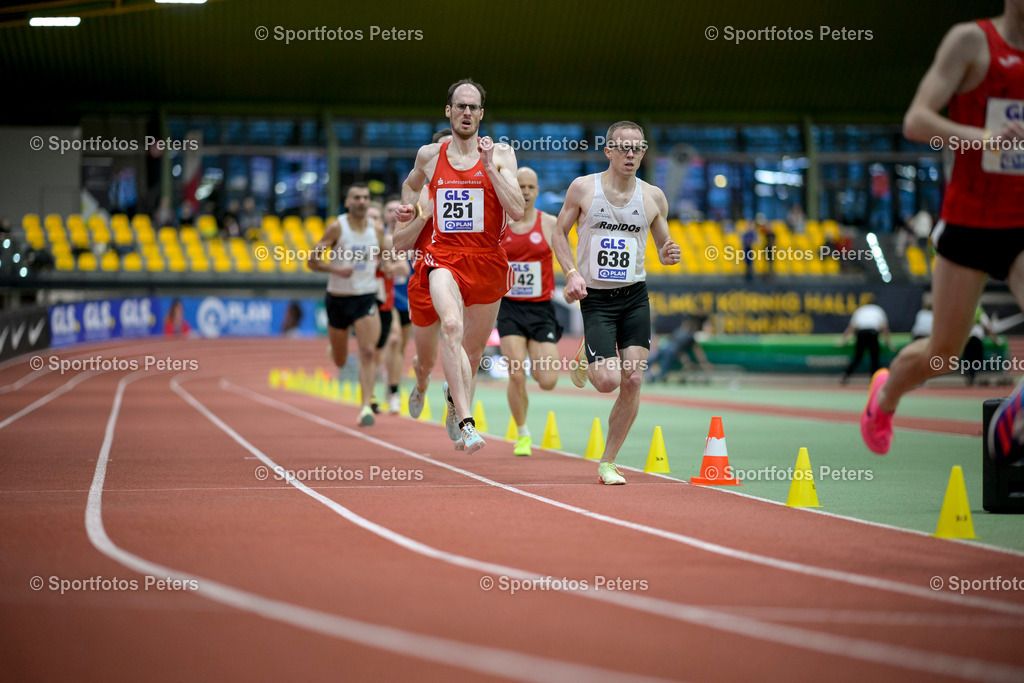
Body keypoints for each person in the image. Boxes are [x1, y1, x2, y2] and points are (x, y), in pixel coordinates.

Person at [861, 1, 1024, 467]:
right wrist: (985, 139)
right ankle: (886, 394)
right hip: (971, 219)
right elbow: (917, 122)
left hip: (1021, 219)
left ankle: (1014, 420)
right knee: (943, 355)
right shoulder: (970, 42)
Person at [396, 80, 524, 453]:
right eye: (460, 106)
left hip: (486, 259)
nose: (466, 112)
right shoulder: (430, 155)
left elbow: (516, 211)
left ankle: (453, 401)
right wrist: (412, 210)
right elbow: (410, 185)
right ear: (448, 111)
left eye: (473, 107)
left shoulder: (501, 154)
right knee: (450, 325)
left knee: (472, 353)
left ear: (482, 114)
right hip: (443, 257)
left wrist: (490, 169)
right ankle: (468, 422)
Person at [551, 121, 681, 485]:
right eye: (623, 147)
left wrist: (670, 252)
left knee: (634, 379)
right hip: (596, 299)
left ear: (643, 152)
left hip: (635, 296)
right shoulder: (583, 188)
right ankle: (587, 354)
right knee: (607, 381)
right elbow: (558, 231)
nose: (630, 154)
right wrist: (571, 273)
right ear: (608, 150)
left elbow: (664, 245)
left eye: (637, 148)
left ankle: (608, 461)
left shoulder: (654, 196)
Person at [498, 167, 561, 456]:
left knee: (547, 381)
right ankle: (522, 432)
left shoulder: (549, 224)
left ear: (537, 191)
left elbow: (569, 258)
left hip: (541, 310)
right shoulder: (499, 226)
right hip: (510, 308)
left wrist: (575, 278)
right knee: (516, 375)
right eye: (520, 186)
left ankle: (538, 363)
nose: (524, 192)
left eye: (530, 187)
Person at [308, 183, 382, 427]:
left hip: (365, 295)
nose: (362, 201)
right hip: (339, 298)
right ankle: (335, 351)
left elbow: (382, 257)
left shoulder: (376, 228)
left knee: (368, 351)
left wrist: (390, 267)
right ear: (348, 202)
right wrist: (337, 269)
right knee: (340, 360)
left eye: (366, 197)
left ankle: (364, 407)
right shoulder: (336, 227)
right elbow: (312, 261)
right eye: (357, 197)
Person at [393, 129, 452, 422]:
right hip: (425, 282)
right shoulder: (414, 197)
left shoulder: (474, 193)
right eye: (441, 153)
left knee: (463, 345)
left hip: (463, 276)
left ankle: (457, 404)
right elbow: (399, 243)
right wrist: (426, 214)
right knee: (426, 361)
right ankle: (421, 383)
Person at [381, 196, 414, 414]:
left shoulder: (410, 238)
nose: (394, 214)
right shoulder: (379, 238)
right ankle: (393, 392)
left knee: (400, 347)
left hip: (407, 300)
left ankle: (391, 383)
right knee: (393, 340)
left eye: (397, 209)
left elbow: (405, 269)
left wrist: (392, 267)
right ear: (384, 215)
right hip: (385, 297)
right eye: (389, 210)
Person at [839, 303, 891, 384]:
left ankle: (845, 375)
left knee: (858, 357)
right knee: (874, 357)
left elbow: (852, 327)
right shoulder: (878, 310)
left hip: (861, 334)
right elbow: (884, 327)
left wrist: (843, 340)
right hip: (872, 333)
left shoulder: (860, 310)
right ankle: (874, 379)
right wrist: (888, 342)